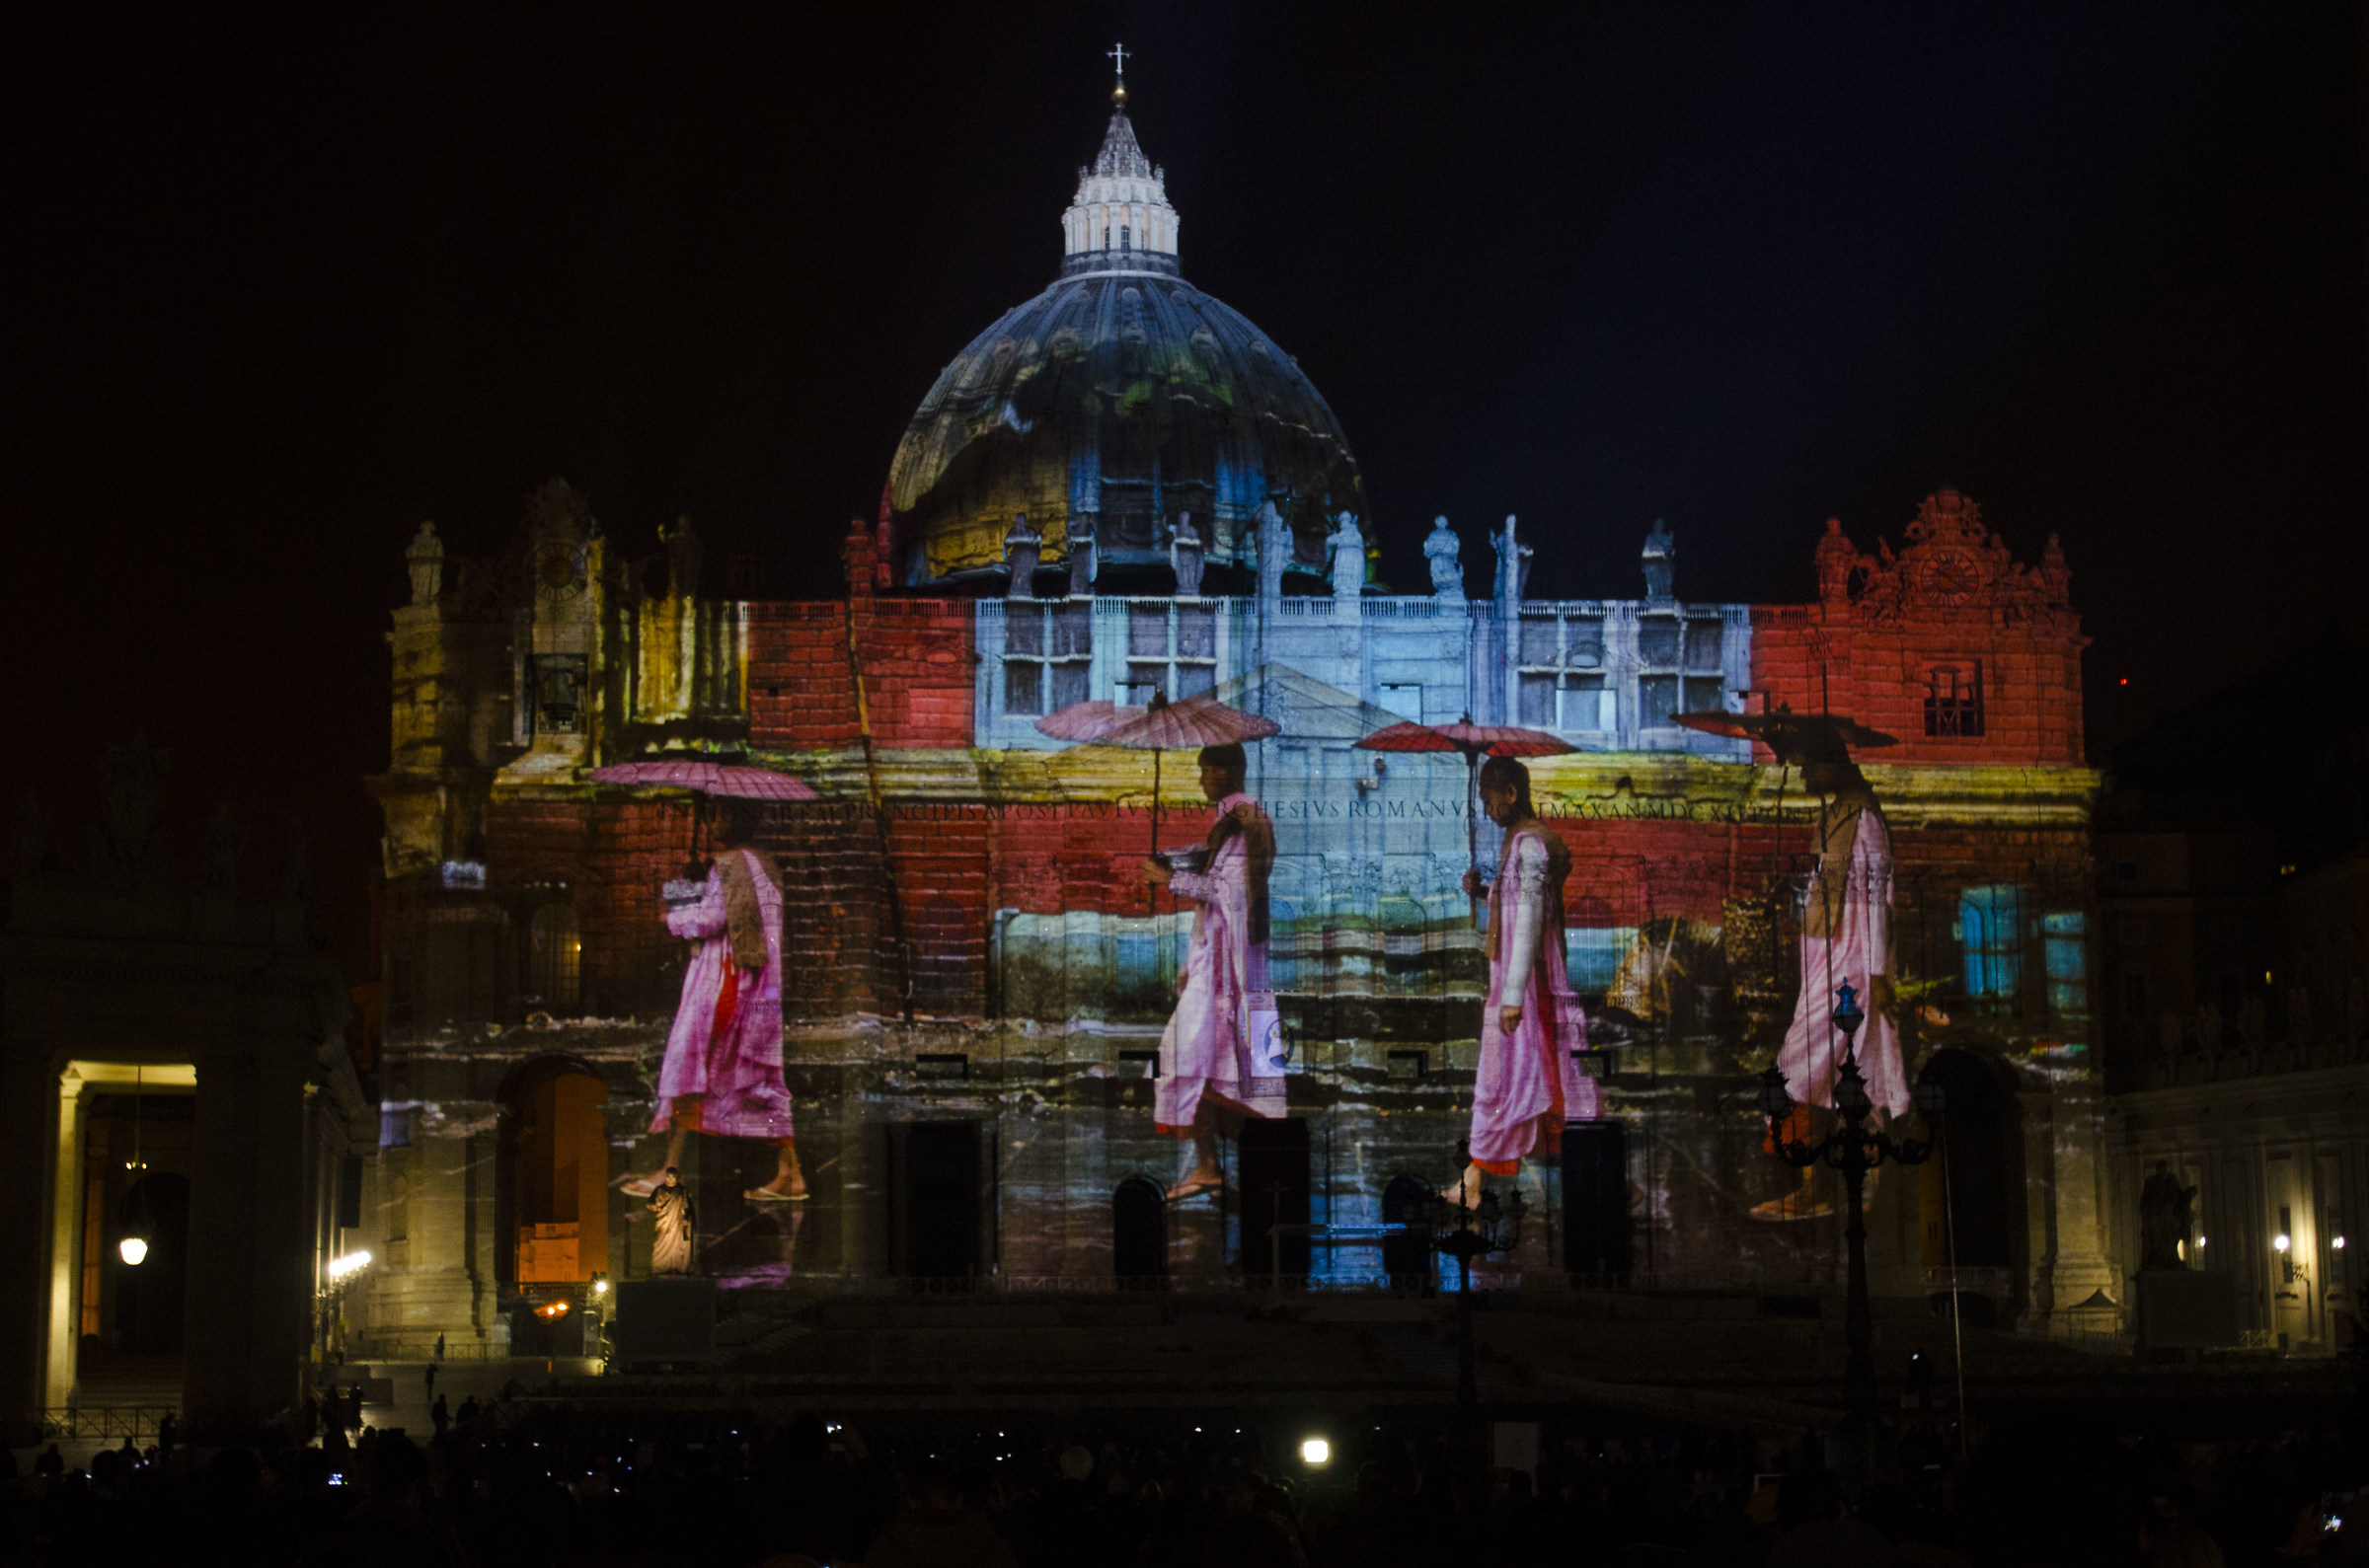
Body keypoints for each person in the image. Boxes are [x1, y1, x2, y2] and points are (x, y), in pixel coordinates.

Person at [1754, 739, 1907, 1221]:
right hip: (1826, 961)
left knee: (1809, 1070)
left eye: (1806, 766)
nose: (1802, 778)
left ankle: (1843, 1188)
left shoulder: (1863, 818)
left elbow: (1877, 896)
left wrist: (1878, 972)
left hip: (1853, 968)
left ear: (1829, 762)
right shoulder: (1838, 815)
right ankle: (1815, 1187)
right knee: (1819, 1074)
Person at [627, 802, 803, 1202]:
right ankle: (791, 1173)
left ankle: (669, 1171)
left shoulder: (728, 864)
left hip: (724, 980)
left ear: (732, 818)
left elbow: (710, 920)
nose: (709, 823)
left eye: (716, 815)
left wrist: (672, 917)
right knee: (760, 1078)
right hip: (758, 985)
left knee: (691, 1064)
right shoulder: (764, 864)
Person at [1442, 755, 1595, 1209]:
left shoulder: (1530, 846)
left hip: (1528, 990)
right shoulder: (1519, 843)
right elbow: (1512, 905)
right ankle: (1475, 1178)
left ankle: (1607, 1180)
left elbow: (1529, 919)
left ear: (1510, 793)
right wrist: (1484, 890)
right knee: (1518, 1078)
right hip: (1515, 985)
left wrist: (1512, 999)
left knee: (1532, 1078)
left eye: (1490, 798)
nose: (1487, 810)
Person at [1141, 743, 1278, 1200]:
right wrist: (1189, 959)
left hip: (1228, 975)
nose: (1200, 779)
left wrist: (1170, 881)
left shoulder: (1245, 822)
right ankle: (1211, 1167)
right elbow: (1216, 892)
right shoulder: (1231, 822)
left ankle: (1226, 1170)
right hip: (1211, 964)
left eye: (1205, 770)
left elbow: (1232, 895)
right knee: (1202, 1065)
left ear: (1224, 771)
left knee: (1187, 1062)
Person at [650, 1166, 696, 1276]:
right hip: (664, 1222)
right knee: (660, 1243)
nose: (671, 1179)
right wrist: (656, 1207)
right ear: (665, 1177)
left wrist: (685, 1217)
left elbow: (687, 1206)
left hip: (676, 1223)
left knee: (677, 1245)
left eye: (673, 1177)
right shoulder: (659, 1189)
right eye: (668, 1177)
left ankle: (676, 1267)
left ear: (677, 1178)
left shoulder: (681, 1190)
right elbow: (650, 1203)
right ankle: (660, 1267)